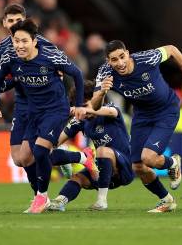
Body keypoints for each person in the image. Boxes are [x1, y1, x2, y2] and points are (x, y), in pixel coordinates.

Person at [92, 40, 182, 213]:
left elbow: (172, 50)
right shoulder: (104, 73)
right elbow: (95, 106)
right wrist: (101, 93)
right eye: (114, 60)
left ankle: (173, 162)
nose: (120, 63)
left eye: (122, 57)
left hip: (166, 111)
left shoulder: (146, 59)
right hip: (142, 115)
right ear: (108, 61)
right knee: (137, 166)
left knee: (149, 158)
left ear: (128, 53)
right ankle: (167, 200)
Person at [0, 19, 85, 214]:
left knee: (40, 151)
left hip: (56, 109)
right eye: (16, 41)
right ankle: (46, 187)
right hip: (34, 112)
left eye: (24, 41)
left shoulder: (50, 56)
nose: (19, 45)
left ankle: (41, 197)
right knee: (24, 157)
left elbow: (77, 74)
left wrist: (78, 105)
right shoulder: (10, 59)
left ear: (34, 41)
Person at [0, 3, 57, 207]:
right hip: (21, 102)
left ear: (25, 21)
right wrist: (0, 90)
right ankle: (78, 157)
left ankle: (40, 197)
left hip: (43, 102)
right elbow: (5, 78)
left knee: (32, 154)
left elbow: (60, 72)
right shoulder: (0, 49)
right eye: (10, 21)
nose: (13, 24)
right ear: (3, 23)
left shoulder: (42, 43)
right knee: (19, 159)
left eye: (18, 20)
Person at [48, 80, 133, 211]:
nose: (84, 112)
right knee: (77, 177)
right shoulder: (81, 120)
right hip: (103, 171)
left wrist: (86, 109)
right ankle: (59, 202)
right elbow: (54, 142)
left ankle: (101, 201)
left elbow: (112, 112)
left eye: (86, 106)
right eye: (80, 107)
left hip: (123, 168)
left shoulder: (110, 109)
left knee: (102, 151)